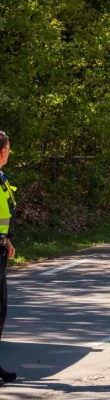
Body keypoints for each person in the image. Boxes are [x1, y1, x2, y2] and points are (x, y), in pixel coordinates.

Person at [0, 131, 17, 386]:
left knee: (0, 312)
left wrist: (7, 240)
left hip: (0, 249)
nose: (10, 152)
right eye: (9, 148)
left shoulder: (1, 178)